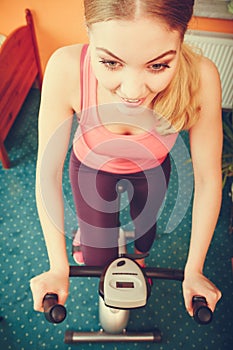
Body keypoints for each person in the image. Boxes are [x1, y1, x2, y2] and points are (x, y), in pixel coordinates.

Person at [30, 0, 222, 318]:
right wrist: (56, 265)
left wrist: (195, 269)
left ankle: (141, 256)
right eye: (110, 63)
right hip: (92, 168)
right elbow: (46, 173)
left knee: (146, 233)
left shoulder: (202, 77)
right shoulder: (65, 67)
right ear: (89, 33)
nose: (132, 92)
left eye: (158, 65)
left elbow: (207, 178)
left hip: (152, 169)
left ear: (181, 39)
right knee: (95, 255)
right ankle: (89, 241)